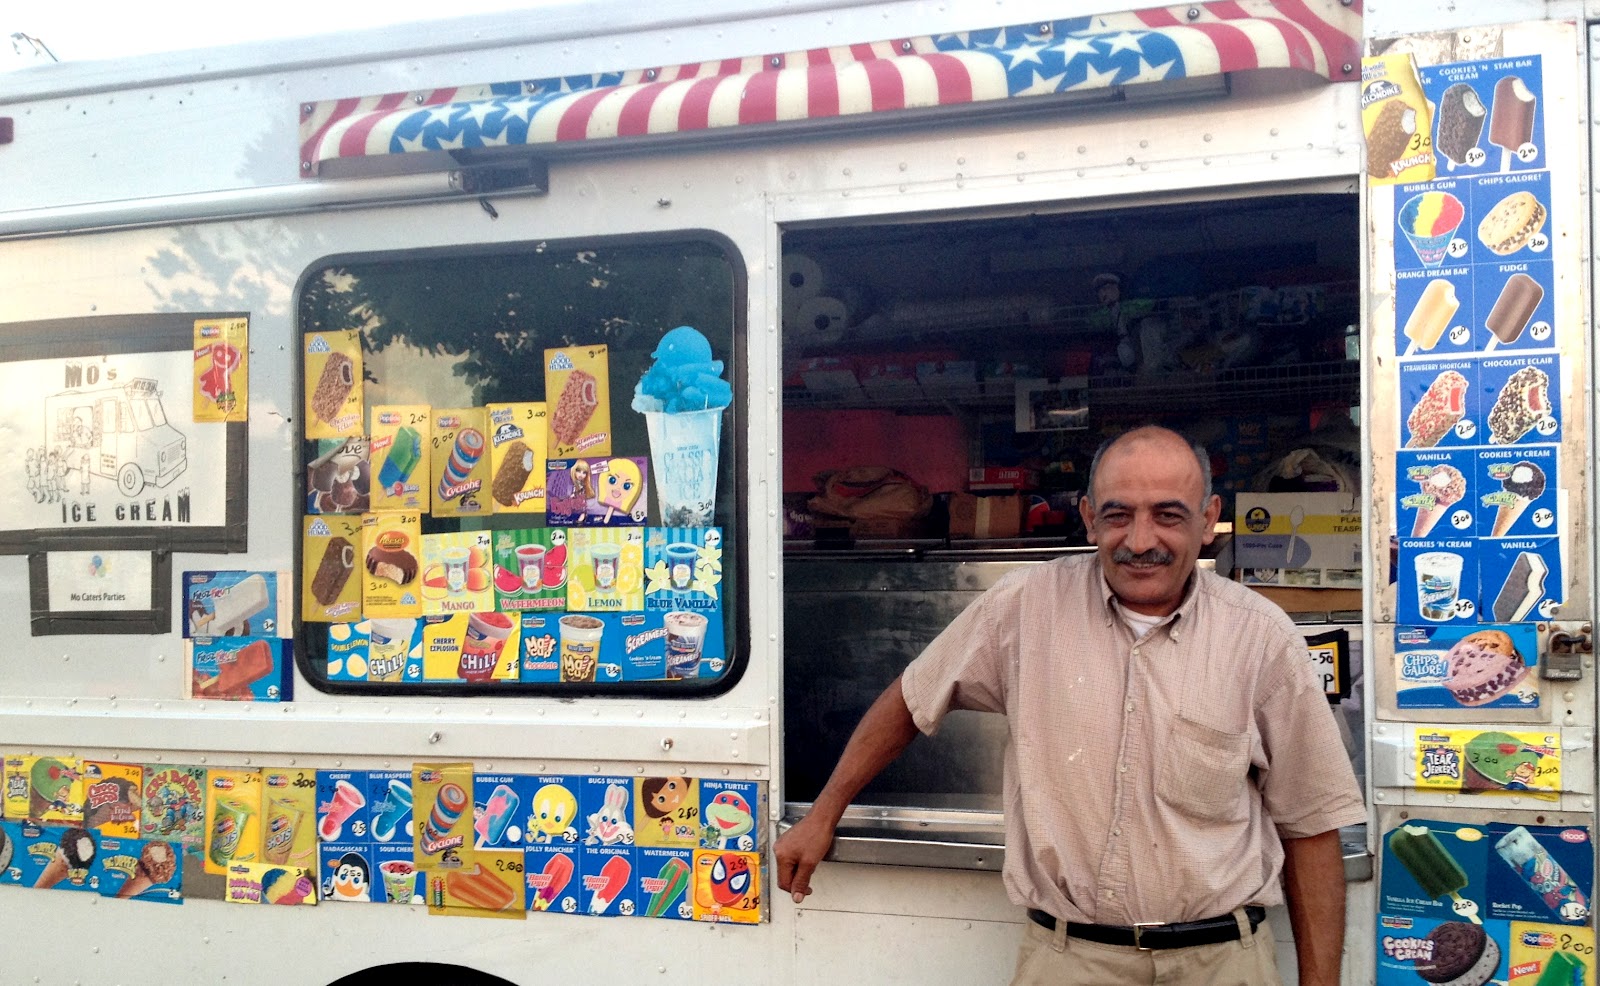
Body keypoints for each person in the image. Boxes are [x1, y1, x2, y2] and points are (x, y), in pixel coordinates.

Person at [775, 425, 1365, 986]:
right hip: (1068, 959)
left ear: (1209, 520)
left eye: (1168, 515)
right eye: (1117, 515)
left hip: (1221, 962)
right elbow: (910, 698)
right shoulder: (1026, 606)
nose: (1139, 541)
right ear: (1088, 517)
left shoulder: (1261, 638)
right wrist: (824, 812)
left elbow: (1311, 827)